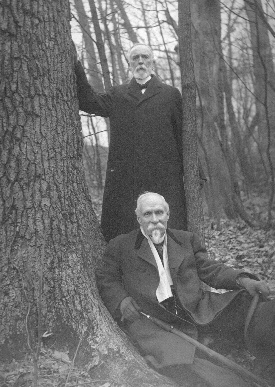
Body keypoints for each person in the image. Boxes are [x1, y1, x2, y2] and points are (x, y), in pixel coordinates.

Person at [96, 192, 274, 386]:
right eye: (148, 214)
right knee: (179, 358)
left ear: (167, 215)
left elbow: (210, 269)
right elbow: (107, 277)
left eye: (159, 213)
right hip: (155, 320)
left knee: (253, 307)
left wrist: (243, 280)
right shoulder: (121, 245)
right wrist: (121, 301)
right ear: (138, 217)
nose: (154, 220)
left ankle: (267, 363)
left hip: (196, 308)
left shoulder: (186, 239)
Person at [75, 43, 205, 242]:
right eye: (135, 58)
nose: (140, 61)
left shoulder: (171, 95)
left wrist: (196, 171)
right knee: (128, 234)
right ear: (129, 63)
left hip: (164, 176)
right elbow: (89, 102)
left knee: (168, 232)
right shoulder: (118, 95)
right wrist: (76, 67)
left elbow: (183, 136)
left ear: (152, 61)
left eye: (145, 57)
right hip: (128, 177)